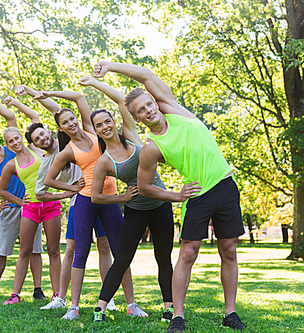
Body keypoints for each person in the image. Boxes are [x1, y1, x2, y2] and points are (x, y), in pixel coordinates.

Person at [93, 61, 247, 332]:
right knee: (188, 252)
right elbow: (144, 186)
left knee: (229, 250)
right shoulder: (152, 148)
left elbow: (146, 75)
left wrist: (110, 67)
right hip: (198, 195)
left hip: (225, 185)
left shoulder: (175, 110)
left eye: (149, 104)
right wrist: (176, 195)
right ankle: (177, 315)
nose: (148, 110)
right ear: (137, 119)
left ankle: (230, 313)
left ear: (155, 102)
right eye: (141, 111)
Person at [37, 89, 143, 320]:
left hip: (110, 200)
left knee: (120, 253)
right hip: (86, 201)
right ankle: (73, 307)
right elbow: (48, 181)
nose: (71, 123)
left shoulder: (94, 133)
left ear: (77, 119)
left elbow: (78, 97)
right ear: (61, 129)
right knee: (80, 253)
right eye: (65, 123)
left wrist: (45, 93)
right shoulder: (67, 151)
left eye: (72, 119)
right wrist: (74, 188)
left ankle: (131, 304)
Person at [77, 76, 175, 323]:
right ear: (96, 130)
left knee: (163, 258)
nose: (105, 126)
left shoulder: (131, 134)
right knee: (121, 259)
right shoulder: (104, 162)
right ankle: (100, 308)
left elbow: (123, 100)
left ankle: (169, 306)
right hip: (135, 210)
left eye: (107, 121)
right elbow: (96, 196)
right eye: (98, 125)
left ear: (113, 121)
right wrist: (122, 197)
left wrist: (94, 84)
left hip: (161, 204)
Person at [14, 85, 118, 311]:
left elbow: (58, 110)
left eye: (43, 134)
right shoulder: (51, 161)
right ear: (35, 145)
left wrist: (36, 92)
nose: (42, 139)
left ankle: (108, 298)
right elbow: (41, 191)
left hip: (103, 197)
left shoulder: (68, 138)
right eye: (37, 139)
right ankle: (60, 298)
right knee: (71, 250)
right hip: (80, 204)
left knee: (104, 246)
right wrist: (67, 191)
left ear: (50, 131)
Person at [0, 96, 44, 301]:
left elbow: (10, 116)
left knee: (34, 250)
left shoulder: (14, 148)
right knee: (2, 250)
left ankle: (37, 289)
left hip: (32, 205)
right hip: (11, 209)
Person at [0, 97, 63, 305]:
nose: (15, 143)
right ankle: (15, 295)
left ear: (23, 139)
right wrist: (20, 201)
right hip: (30, 208)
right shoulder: (11, 164)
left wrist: (16, 102)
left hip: (51, 204)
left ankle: (57, 294)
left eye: (17, 138)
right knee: (24, 251)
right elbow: (0, 190)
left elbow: (35, 118)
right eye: (10, 142)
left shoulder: (37, 149)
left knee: (53, 250)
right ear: (7, 145)